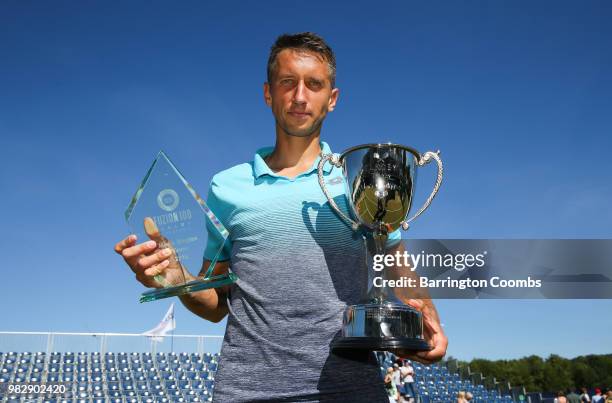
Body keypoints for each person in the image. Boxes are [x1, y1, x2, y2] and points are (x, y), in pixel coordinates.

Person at [114, 31, 447, 402]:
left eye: (314, 84)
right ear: (268, 93)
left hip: (350, 390)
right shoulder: (227, 187)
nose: (300, 96)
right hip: (246, 392)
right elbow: (216, 305)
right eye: (288, 82)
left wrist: (428, 320)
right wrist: (177, 278)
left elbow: (396, 268)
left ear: (332, 99)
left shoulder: (358, 182)